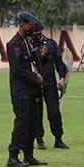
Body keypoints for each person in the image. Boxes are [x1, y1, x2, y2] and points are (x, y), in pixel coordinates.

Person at [7, 11, 47, 167]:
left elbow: (33, 63)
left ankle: (29, 156)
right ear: (23, 25)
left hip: (32, 90)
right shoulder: (14, 44)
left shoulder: (27, 43)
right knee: (22, 124)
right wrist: (35, 77)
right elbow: (18, 70)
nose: (33, 29)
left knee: (33, 123)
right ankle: (13, 156)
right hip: (21, 91)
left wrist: (41, 57)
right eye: (30, 26)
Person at [31, 22, 69, 150]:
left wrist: (62, 79)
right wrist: (39, 56)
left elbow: (59, 64)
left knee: (54, 112)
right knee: (37, 112)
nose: (35, 36)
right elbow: (31, 64)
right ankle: (39, 139)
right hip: (35, 83)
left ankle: (58, 138)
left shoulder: (51, 44)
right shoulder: (29, 44)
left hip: (50, 83)